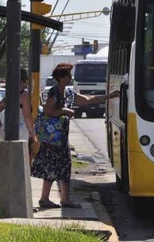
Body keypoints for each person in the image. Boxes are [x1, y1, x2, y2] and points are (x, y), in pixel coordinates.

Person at [31, 63, 119, 209]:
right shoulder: (54, 92)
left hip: (61, 137)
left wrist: (109, 96)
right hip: (53, 138)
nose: (70, 78)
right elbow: (48, 111)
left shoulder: (68, 93)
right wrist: (64, 111)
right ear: (60, 78)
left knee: (60, 167)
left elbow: (88, 99)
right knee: (56, 167)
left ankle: (58, 199)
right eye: (68, 76)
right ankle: (52, 199)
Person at [0, 69, 38, 161]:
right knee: (21, 160)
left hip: (6, 131)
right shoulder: (24, 95)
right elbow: (27, 116)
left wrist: (1, 127)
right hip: (21, 132)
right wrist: (32, 133)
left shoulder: (8, 96)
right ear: (23, 80)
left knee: (8, 159)